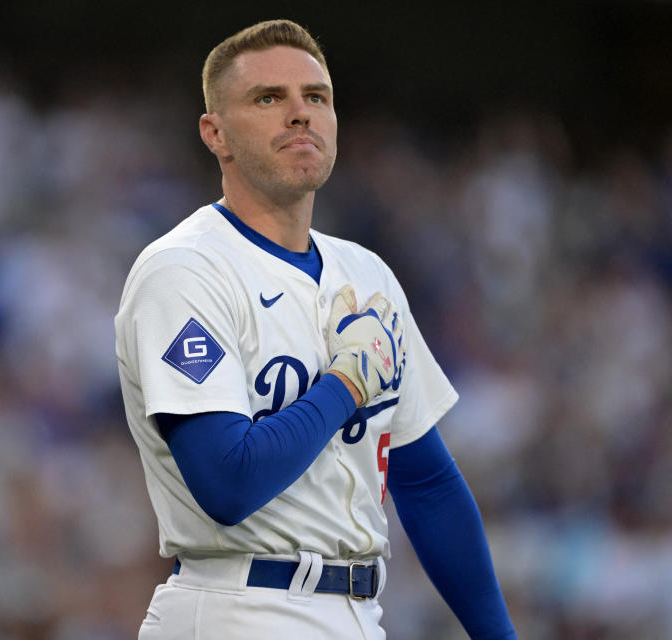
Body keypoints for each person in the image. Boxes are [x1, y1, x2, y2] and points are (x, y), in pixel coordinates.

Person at [114, 19, 516, 640]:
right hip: (238, 604)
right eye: (269, 98)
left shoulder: (366, 274)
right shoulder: (186, 269)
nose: (300, 114)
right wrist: (345, 385)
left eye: (317, 97)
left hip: (357, 611)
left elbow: (426, 481)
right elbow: (226, 482)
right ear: (214, 132)